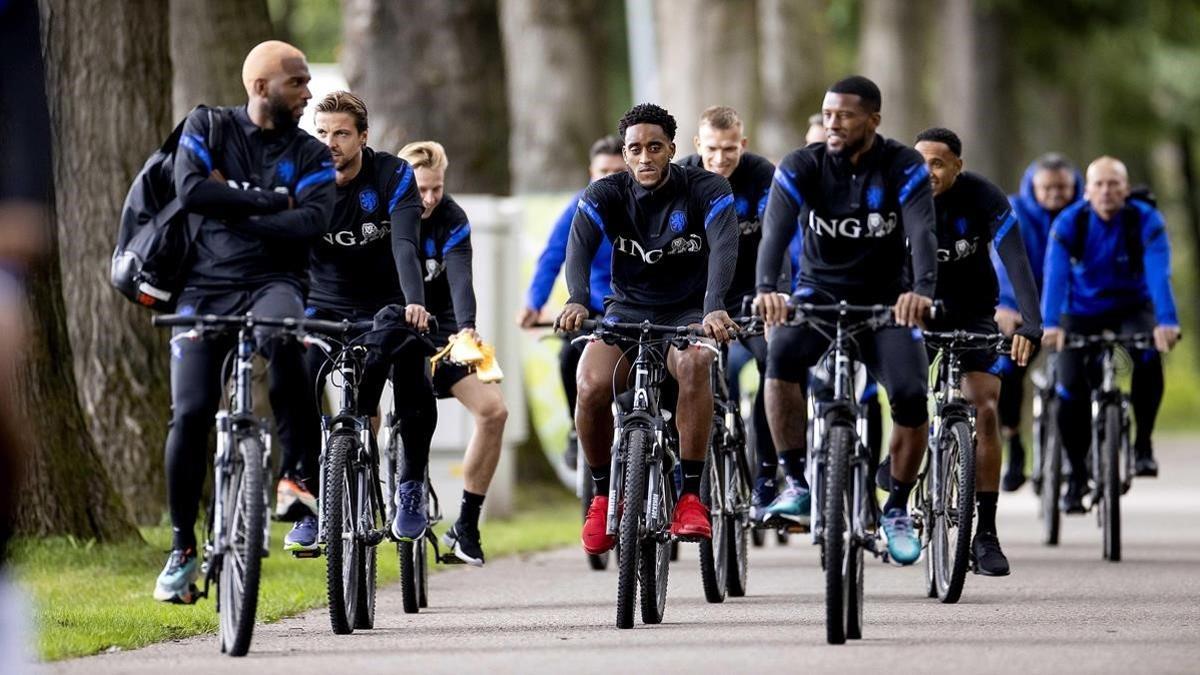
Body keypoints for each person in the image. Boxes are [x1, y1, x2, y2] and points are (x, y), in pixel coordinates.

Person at [154, 40, 336, 603]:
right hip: (202, 288)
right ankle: (183, 545)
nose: (309, 95)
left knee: (286, 341)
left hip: (276, 284)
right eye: (298, 83)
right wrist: (271, 201)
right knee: (188, 414)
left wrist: (233, 201)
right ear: (261, 87)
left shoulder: (310, 153)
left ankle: (296, 475)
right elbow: (189, 191)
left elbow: (313, 220)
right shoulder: (206, 126)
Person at [754, 76, 937, 565]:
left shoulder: (903, 166)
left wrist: (921, 292)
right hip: (817, 295)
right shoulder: (801, 164)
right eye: (827, 113)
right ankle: (796, 482)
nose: (833, 123)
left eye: (846, 115)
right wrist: (768, 288)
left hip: (886, 302)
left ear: (873, 120)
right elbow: (774, 232)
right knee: (780, 362)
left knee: (910, 396)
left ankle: (896, 507)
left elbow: (922, 231)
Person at [557, 103, 740, 554]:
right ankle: (601, 496)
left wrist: (714, 307)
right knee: (589, 382)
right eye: (635, 149)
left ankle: (691, 497)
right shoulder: (606, 192)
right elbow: (577, 247)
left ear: (672, 150)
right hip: (626, 312)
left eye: (654, 147)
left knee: (696, 364)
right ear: (624, 152)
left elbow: (723, 248)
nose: (644, 158)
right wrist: (578, 297)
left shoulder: (707, 188)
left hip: (687, 313)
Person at [277, 91, 435, 554]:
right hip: (321, 305)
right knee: (296, 376)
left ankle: (409, 488)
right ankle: (307, 497)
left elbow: (406, 245)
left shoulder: (393, 176)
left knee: (412, 373)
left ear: (363, 137)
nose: (330, 143)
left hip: (387, 304)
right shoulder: (300, 176)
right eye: (322, 133)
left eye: (342, 134)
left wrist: (414, 303)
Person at [911, 127, 1043, 576]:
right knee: (902, 391)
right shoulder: (899, 194)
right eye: (920, 162)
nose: (927, 172)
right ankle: (896, 474)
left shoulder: (983, 197)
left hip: (972, 313)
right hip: (915, 311)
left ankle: (984, 531)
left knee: (985, 404)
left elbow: (1015, 257)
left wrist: (1031, 320)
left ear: (957, 166)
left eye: (938, 163)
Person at [1042, 156, 1180, 513]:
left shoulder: (1144, 220)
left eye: (1113, 184)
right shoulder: (1071, 221)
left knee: (1149, 355)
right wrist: (1051, 323)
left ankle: (1143, 444)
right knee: (1069, 386)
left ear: (1126, 188)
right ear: (1086, 190)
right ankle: (1075, 474)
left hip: (1133, 306)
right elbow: (1055, 275)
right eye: (1099, 184)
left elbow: (1158, 273)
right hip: (1080, 311)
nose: (1106, 191)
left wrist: (1165, 321)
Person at [677, 106, 789, 523]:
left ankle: (765, 477)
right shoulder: (683, 175)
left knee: (773, 364)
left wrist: (774, 291)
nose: (720, 159)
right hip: (698, 296)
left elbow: (775, 238)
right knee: (687, 370)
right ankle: (680, 471)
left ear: (742, 144)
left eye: (729, 149)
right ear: (696, 146)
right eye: (712, 149)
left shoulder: (762, 176)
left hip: (752, 292)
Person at [399, 141, 507, 566]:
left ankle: (466, 525)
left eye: (436, 189)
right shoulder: (386, 215)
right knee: (366, 408)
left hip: (444, 330)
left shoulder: (453, 218)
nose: (428, 200)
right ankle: (352, 507)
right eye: (421, 190)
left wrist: (467, 329)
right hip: (392, 325)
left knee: (494, 411)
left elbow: (462, 278)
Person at [518, 135, 625, 469]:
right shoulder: (581, 207)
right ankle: (576, 429)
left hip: (635, 307)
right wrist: (534, 301)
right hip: (590, 308)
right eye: (602, 171)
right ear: (590, 172)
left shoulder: (643, 205)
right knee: (568, 357)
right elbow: (552, 255)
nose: (608, 179)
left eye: (616, 172)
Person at [994, 153, 1082, 491]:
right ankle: (1014, 441)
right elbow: (1005, 261)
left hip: (1069, 309)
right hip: (1021, 306)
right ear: (1033, 186)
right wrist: (1005, 305)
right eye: (1047, 188)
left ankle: (1082, 457)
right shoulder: (1014, 211)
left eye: (1062, 187)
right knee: (1007, 370)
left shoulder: (1084, 213)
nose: (1055, 194)